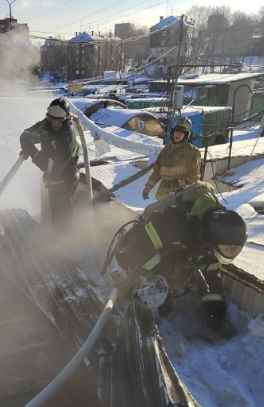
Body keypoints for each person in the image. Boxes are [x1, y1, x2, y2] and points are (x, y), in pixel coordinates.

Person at [107, 182, 247, 334]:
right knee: (149, 289)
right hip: (136, 253)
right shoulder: (170, 222)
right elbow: (134, 252)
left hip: (170, 257)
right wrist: (160, 279)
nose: (214, 256)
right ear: (208, 237)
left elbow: (211, 274)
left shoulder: (212, 240)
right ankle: (133, 297)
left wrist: (216, 311)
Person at [20, 97, 80, 231]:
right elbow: (27, 134)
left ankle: (66, 239)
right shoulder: (47, 123)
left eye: (58, 121)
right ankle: (56, 233)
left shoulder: (67, 137)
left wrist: (33, 153)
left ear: (65, 120)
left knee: (63, 217)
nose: (55, 124)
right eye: (52, 120)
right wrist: (27, 142)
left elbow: (52, 166)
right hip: (53, 177)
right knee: (54, 213)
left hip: (66, 178)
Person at [142, 117, 202, 201]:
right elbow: (156, 173)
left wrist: (196, 195)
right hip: (162, 196)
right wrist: (147, 188)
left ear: (186, 135)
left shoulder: (192, 152)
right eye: (176, 131)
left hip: (180, 196)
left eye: (181, 132)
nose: (177, 134)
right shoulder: (166, 150)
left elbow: (194, 177)